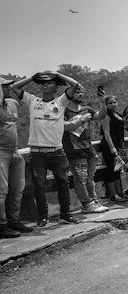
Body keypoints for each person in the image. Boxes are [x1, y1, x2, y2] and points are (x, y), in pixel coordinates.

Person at [9, 71, 83, 225]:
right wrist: (31, 77)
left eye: (49, 83)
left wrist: (57, 74)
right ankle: (43, 216)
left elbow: (75, 85)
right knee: (39, 185)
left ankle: (65, 213)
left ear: (56, 88)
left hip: (57, 151)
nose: (45, 85)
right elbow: (14, 87)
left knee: (63, 183)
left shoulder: (60, 102)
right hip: (37, 152)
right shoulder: (32, 100)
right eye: (43, 83)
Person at [63, 85, 108, 214]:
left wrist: (102, 100)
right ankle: (86, 204)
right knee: (80, 179)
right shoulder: (64, 111)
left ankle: (94, 201)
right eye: (77, 92)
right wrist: (81, 120)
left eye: (82, 92)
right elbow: (64, 127)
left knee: (90, 178)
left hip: (89, 149)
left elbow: (101, 116)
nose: (80, 94)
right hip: (74, 150)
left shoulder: (86, 109)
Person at [0, 78, 33, 237]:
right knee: (2, 190)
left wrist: (32, 77)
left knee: (18, 188)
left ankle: (14, 220)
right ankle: (2, 224)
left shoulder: (13, 103)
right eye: (4, 86)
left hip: (15, 150)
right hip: (1, 152)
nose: (7, 88)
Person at [96, 95, 128, 202]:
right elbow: (106, 132)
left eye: (114, 102)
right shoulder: (106, 115)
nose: (113, 104)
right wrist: (112, 147)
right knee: (110, 170)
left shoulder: (118, 115)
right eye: (110, 103)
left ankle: (120, 192)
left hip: (118, 145)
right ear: (106, 105)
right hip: (109, 146)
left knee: (118, 169)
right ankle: (113, 195)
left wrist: (121, 146)